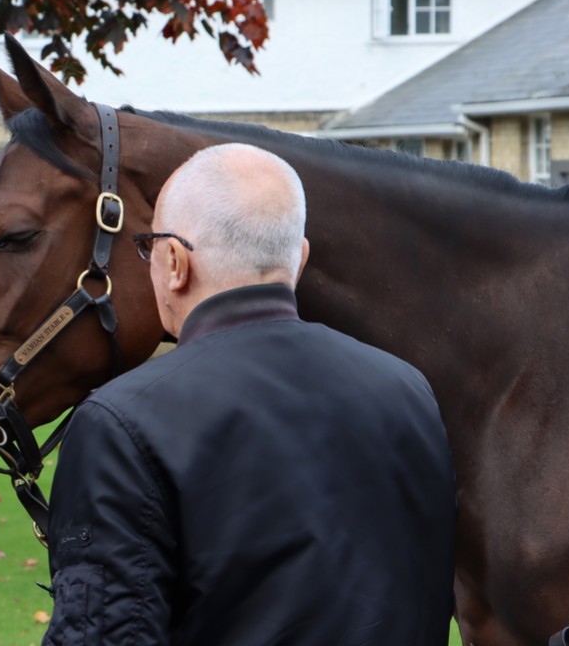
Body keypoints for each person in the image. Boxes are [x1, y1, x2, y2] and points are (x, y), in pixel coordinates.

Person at [42, 143, 457, 645]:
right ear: (298, 260)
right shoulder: (405, 389)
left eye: (149, 248)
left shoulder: (124, 420)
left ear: (174, 261)